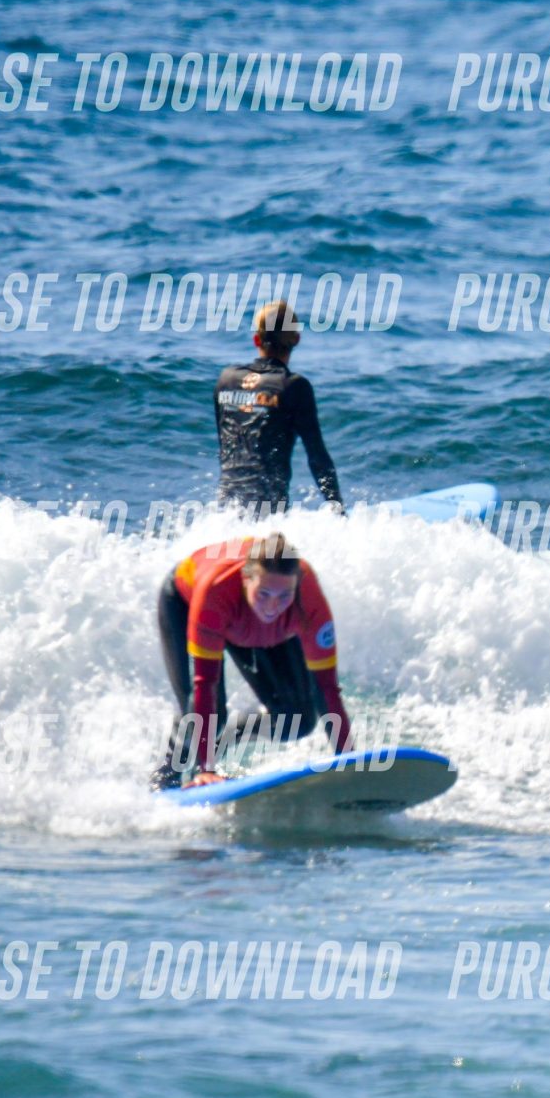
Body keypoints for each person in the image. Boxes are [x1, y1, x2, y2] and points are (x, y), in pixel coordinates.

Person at [153, 532, 351, 789]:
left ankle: (227, 736)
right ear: (246, 580)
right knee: (212, 714)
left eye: (284, 596)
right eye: (264, 593)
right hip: (185, 603)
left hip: (240, 614)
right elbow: (205, 683)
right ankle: (166, 778)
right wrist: (207, 770)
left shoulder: (308, 599)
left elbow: (327, 688)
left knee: (298, 720)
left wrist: (348, 759)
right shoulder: (215, 591)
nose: (272, 607)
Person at [216, 299, 343, 515]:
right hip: (270, 513)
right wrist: (338, 510)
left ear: (256, 339)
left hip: (225, 510)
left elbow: (225, 449)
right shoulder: (294, 386)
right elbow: (317, 457)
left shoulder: (226, 380)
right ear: (296, 339)